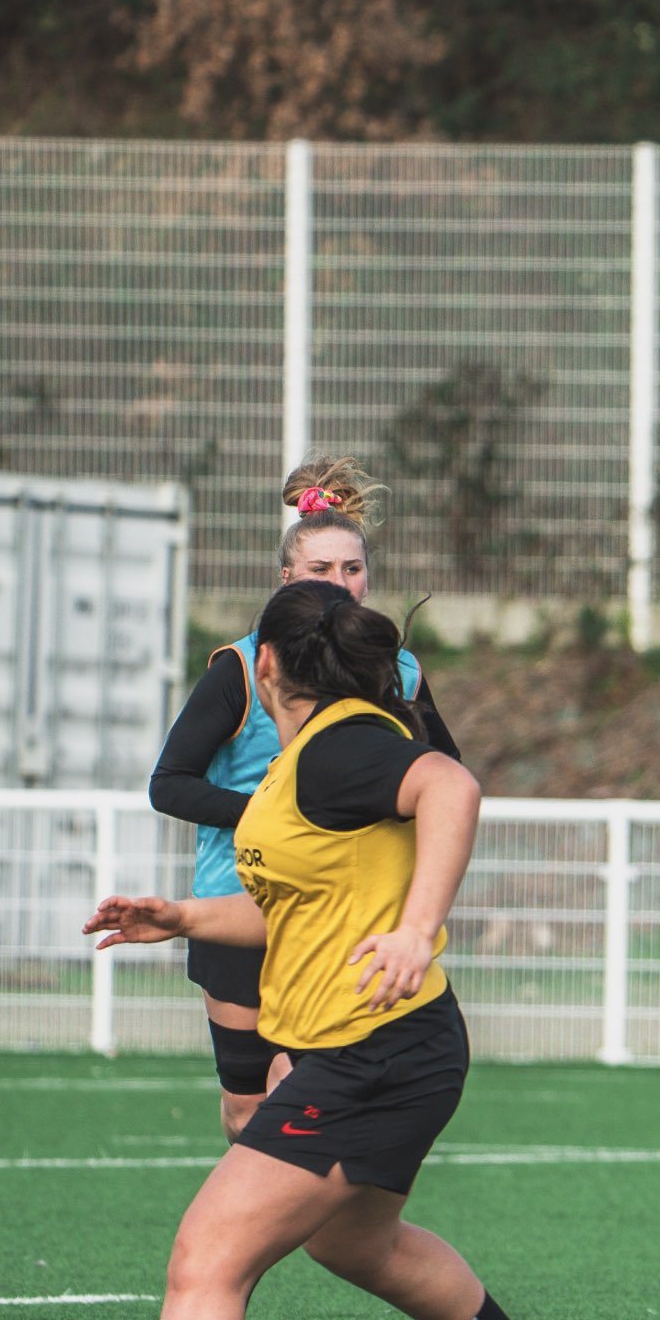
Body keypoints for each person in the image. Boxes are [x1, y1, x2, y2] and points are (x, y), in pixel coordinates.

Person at [0, 581, 569, 1320]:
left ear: (264, 668)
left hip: (369, 1056)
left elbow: (454, 787)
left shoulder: (340, 743)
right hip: (392, 1050)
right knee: (354, 1245)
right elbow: (286, 902)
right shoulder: (315, 757)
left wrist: (418, 930)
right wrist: (178, 916)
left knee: (207, 1256)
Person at [148, 458, 459, 1144]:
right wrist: (272, 815)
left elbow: (446, 772)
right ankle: (261, 1228)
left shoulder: (396, 667)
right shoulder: (242, 666)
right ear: (287, 578)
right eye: (321, 570)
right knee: (246, 1109)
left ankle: (309, 1222)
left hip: (341, 912)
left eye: (352, 569)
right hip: (242, 902)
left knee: (308, 1092)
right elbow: (168, 784)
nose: (341, 584)